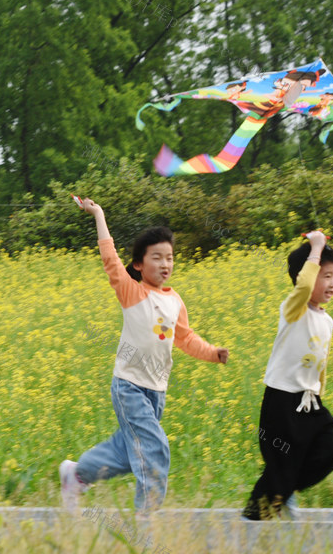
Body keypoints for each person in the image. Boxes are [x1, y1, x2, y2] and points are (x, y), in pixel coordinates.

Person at [59, 198, 228, 513]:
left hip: (156, 392)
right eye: (157, 258)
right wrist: (99, 214)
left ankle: (76, 474)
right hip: (129, 387)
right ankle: (148, 520)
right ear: (138, 264)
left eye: (170, 258)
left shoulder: (175, 300)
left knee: (126, 454)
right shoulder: (131, 291)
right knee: (155, 448)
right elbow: (109, 256)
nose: (165, 264)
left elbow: (186, 338)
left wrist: (212, 353)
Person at [242, 231, 333, 520]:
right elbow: (302, 288)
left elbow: (320, 365)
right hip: (282, 403)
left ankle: (283, 492)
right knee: (282, 465)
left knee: (331, 451)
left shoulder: (326, 319)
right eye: (326, 276)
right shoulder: (293, 310)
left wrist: (319, 394)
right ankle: (255, 520)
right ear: (308, 275)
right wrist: (316, 248)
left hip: (309, 402)